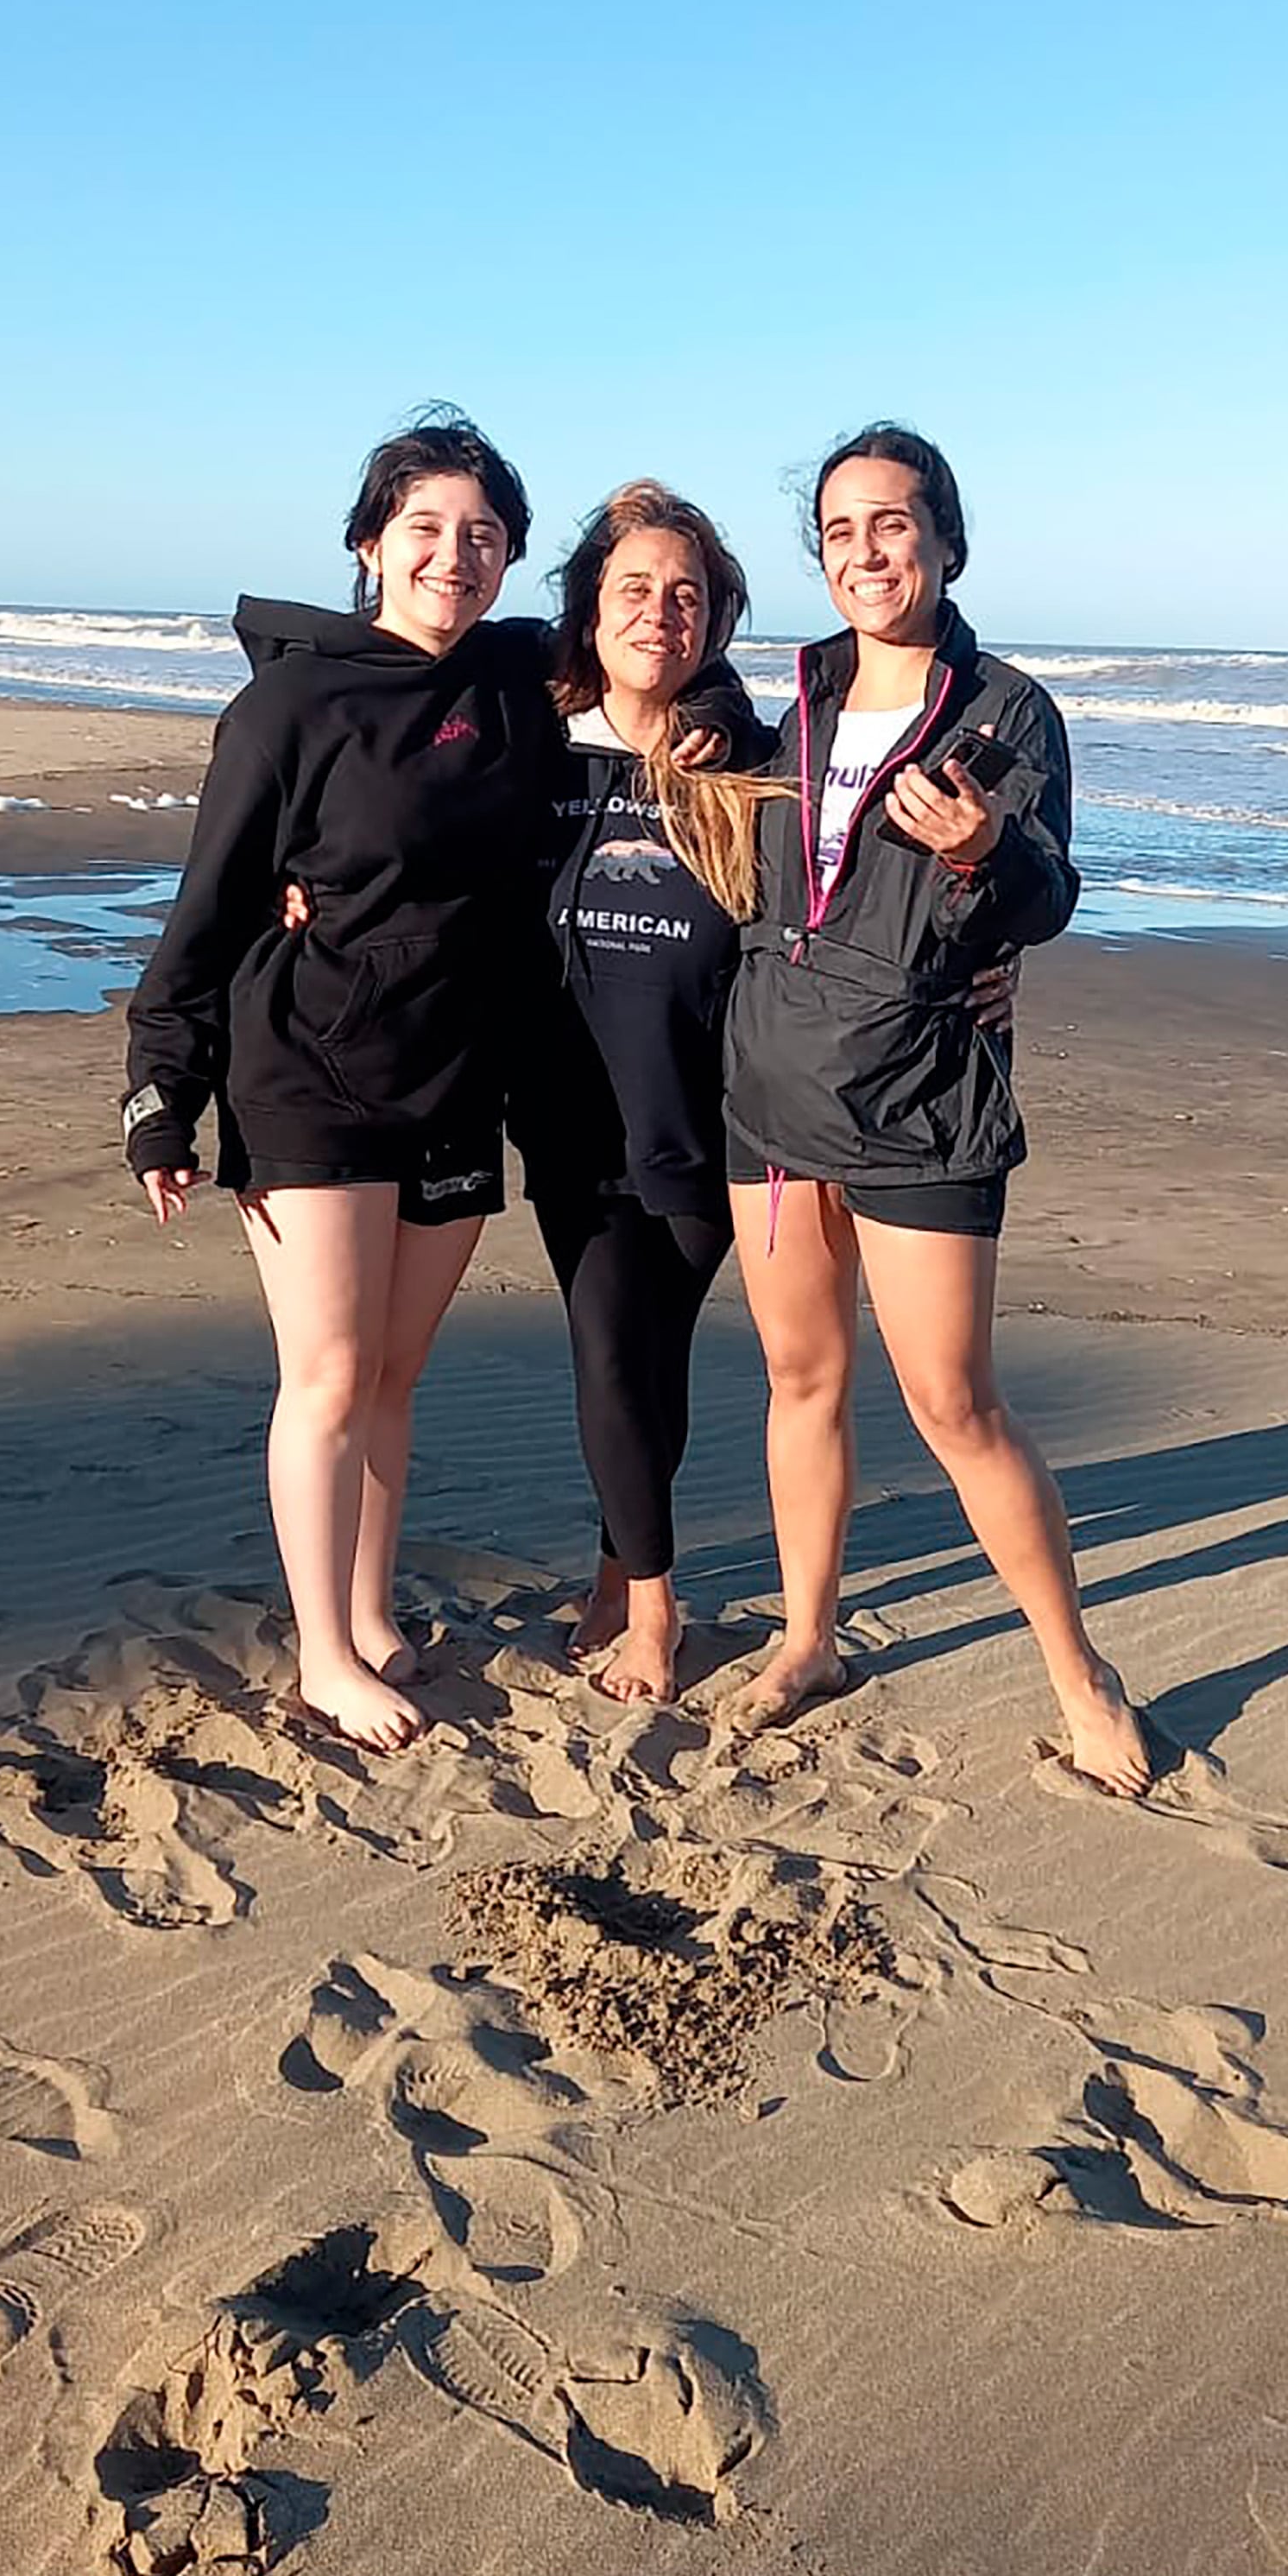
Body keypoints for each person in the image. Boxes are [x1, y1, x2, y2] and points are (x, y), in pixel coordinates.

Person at [721, 421, 1150, 1792]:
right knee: (800, 1379)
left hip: (921, 1098)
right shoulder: (797, 701)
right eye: (839, 532)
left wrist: (990, 852)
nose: (865, 553)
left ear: (947, 544)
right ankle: (809, 1640)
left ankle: (1080, 1676)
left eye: (892, 524)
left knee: (953, 1403)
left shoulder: (1007, 711)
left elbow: (1048, 897)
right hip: (770, 1094)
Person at [122, 408, 556, 1754]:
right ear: (370, 544)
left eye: (483, 535)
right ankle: (321, 1656)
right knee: (328, 1373)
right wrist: (162, 1092)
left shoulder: (517, 684)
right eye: (425, 528)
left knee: (393, 1376)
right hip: (310, 1072)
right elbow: (207, 909)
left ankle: (367, 1615)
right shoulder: (289, 706)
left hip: (454, 1078)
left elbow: (663, 677)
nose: (453, 555)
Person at [515, 482, 781, 1704]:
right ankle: (655, 1607)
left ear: (713, 620)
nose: (658, 613)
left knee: (655, 1355)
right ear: (589, 604)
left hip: (715, 1122)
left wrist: (985, 955)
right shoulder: (528, 742)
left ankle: (621, 1572)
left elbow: (844, 898)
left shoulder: (747, 761)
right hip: (572, 1116)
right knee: (611, 1351)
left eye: (686, 595)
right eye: (634, 588)